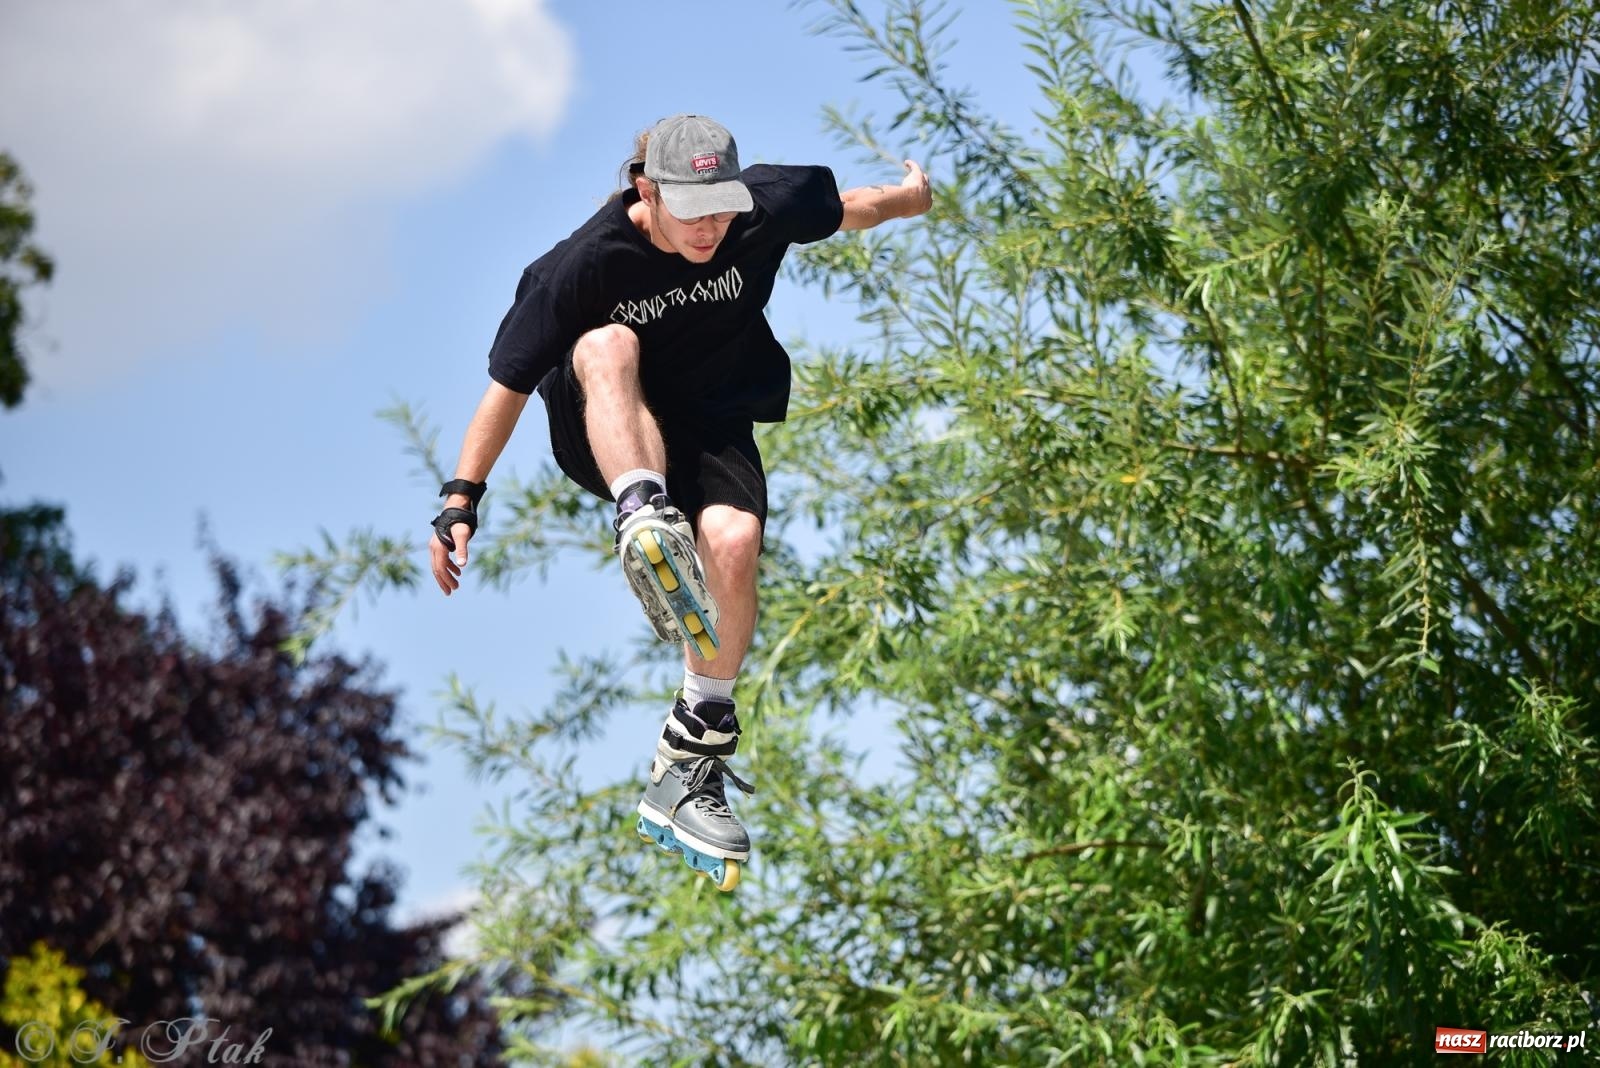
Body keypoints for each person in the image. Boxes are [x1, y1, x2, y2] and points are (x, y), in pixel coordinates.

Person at [428, 113, 931, 888]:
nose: (711, 229)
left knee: (732, 544)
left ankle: (693, 751)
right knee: (607, 342)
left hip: (709, 419)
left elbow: (851, 208)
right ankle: (644, 515)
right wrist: (461, 498)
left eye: (722, 208)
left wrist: (909, 199)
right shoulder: (581, 266)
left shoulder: (762, 206)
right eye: (692, 212)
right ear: (647, 191)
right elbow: (508, 388)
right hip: (605, 419)